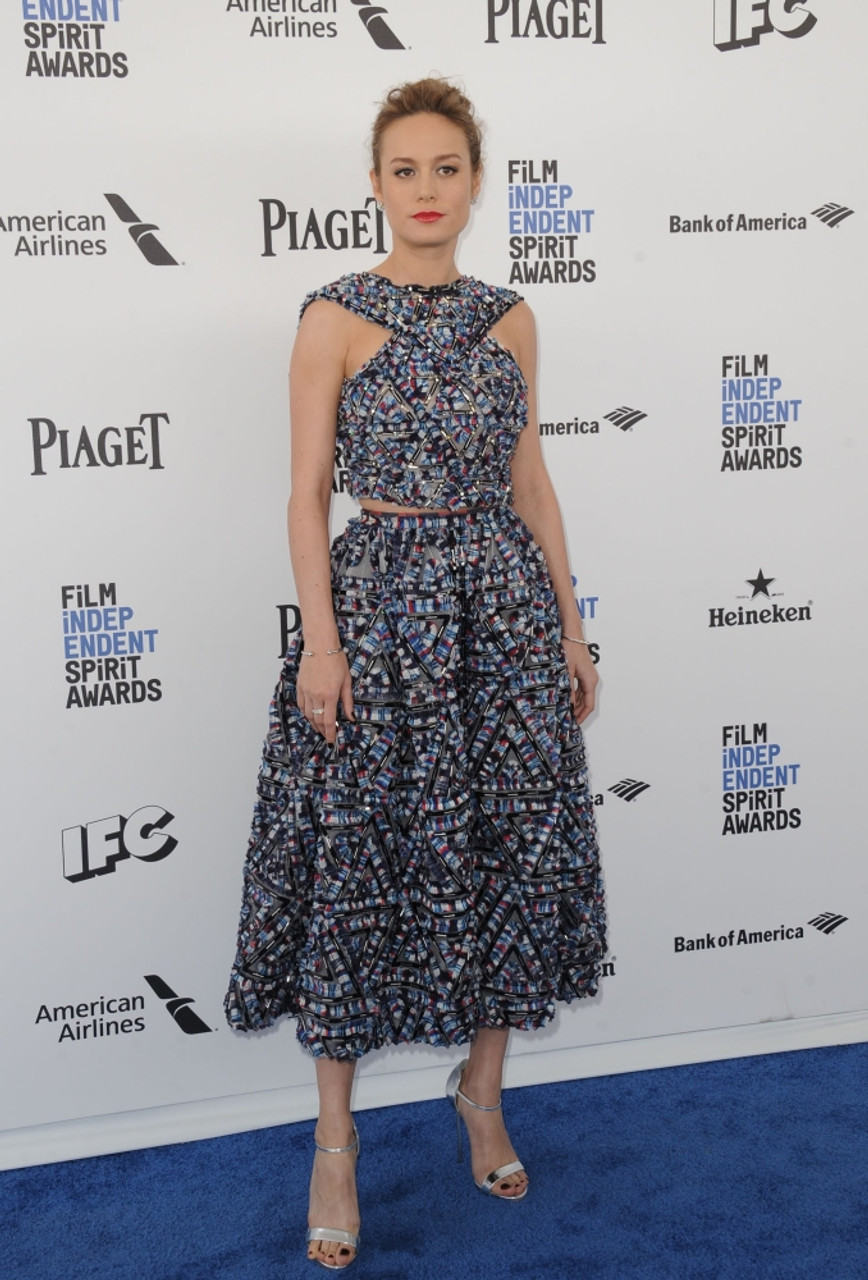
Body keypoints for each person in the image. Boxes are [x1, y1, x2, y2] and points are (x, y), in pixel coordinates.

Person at [225, 77, 606, 1271]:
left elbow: (532, 479)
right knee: (357, 857)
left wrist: (569, 624)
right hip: (381, 605)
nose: (427, 190)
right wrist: (322, 641)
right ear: (376, 184)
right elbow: (302, 494)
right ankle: (333, 1136)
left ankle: (480, 1090)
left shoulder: (511, 317)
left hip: (498, 603)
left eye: (448, 168)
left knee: (509, 838)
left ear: (476, 181)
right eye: (405, 170)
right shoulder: (332, 314)